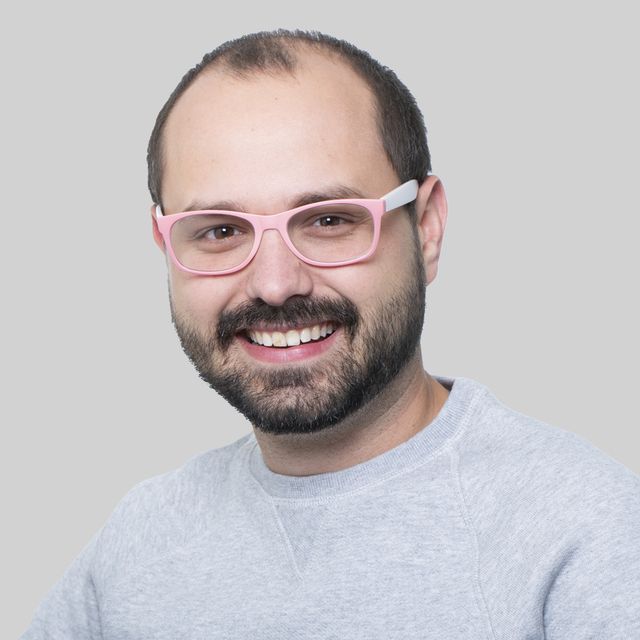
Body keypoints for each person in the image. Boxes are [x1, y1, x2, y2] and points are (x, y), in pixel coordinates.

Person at [22, 29, 640, 639]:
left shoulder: (584, 536)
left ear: (425, 228)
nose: (274, 284)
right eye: (220, 231)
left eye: (328, 220)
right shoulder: (137, 545)